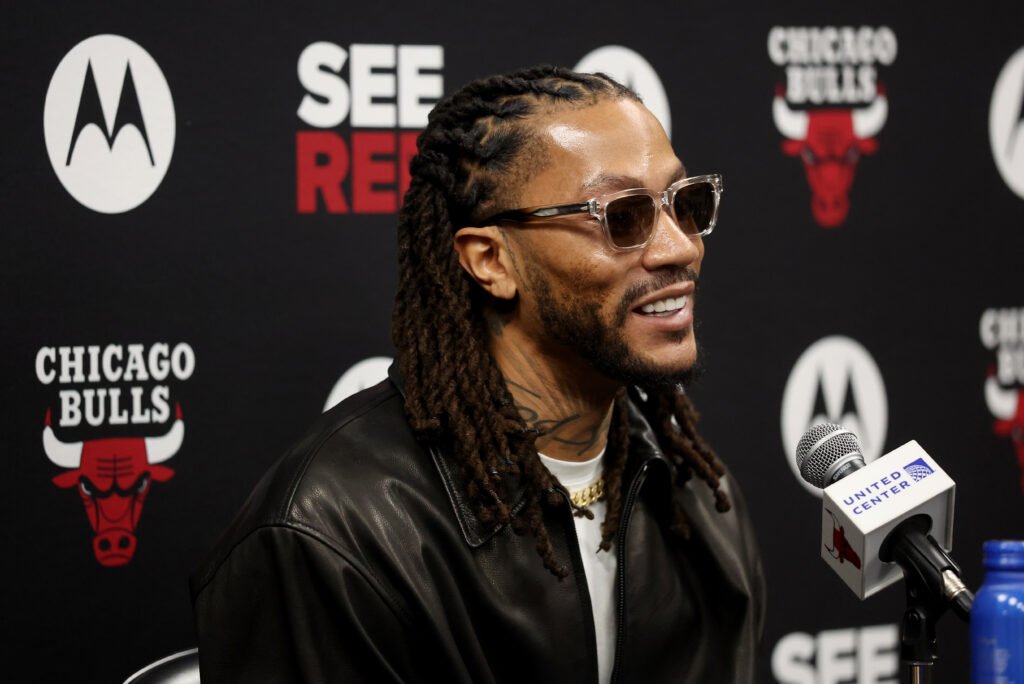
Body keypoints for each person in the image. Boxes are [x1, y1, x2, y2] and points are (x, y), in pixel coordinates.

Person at [191, 65, 765, 683]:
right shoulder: (332, 534)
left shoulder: (699, 500)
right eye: (622, 216)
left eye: (685, 203)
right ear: (491, 260)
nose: (680, 247)